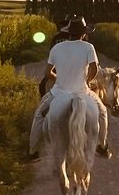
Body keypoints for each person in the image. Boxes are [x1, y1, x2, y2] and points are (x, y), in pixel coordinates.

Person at [26, 17, 112, 161]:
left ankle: (32, 152)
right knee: (102, 112)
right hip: (82, 91)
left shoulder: (56, 48)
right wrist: (87, 81)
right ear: (83, 34)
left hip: (59, 92)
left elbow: (47, 73)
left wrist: (59, 79)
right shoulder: (88, 47)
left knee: (39, 115)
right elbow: (94, 69)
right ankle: (102, 146)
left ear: (68, 33)